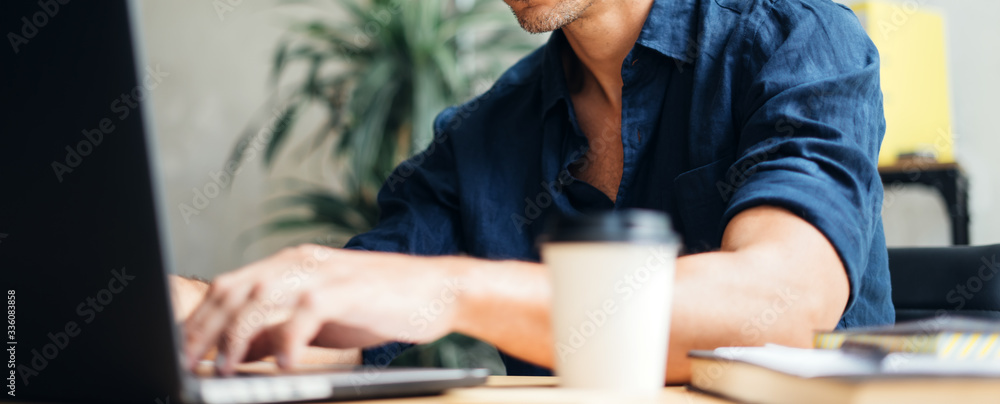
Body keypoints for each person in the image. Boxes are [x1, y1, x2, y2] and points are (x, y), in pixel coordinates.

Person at [176, 0, 893, 383]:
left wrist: (454, 290)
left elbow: (782, 307)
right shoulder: (484, 135)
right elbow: (324, 331)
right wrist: (180, 308)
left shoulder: (799, 40)